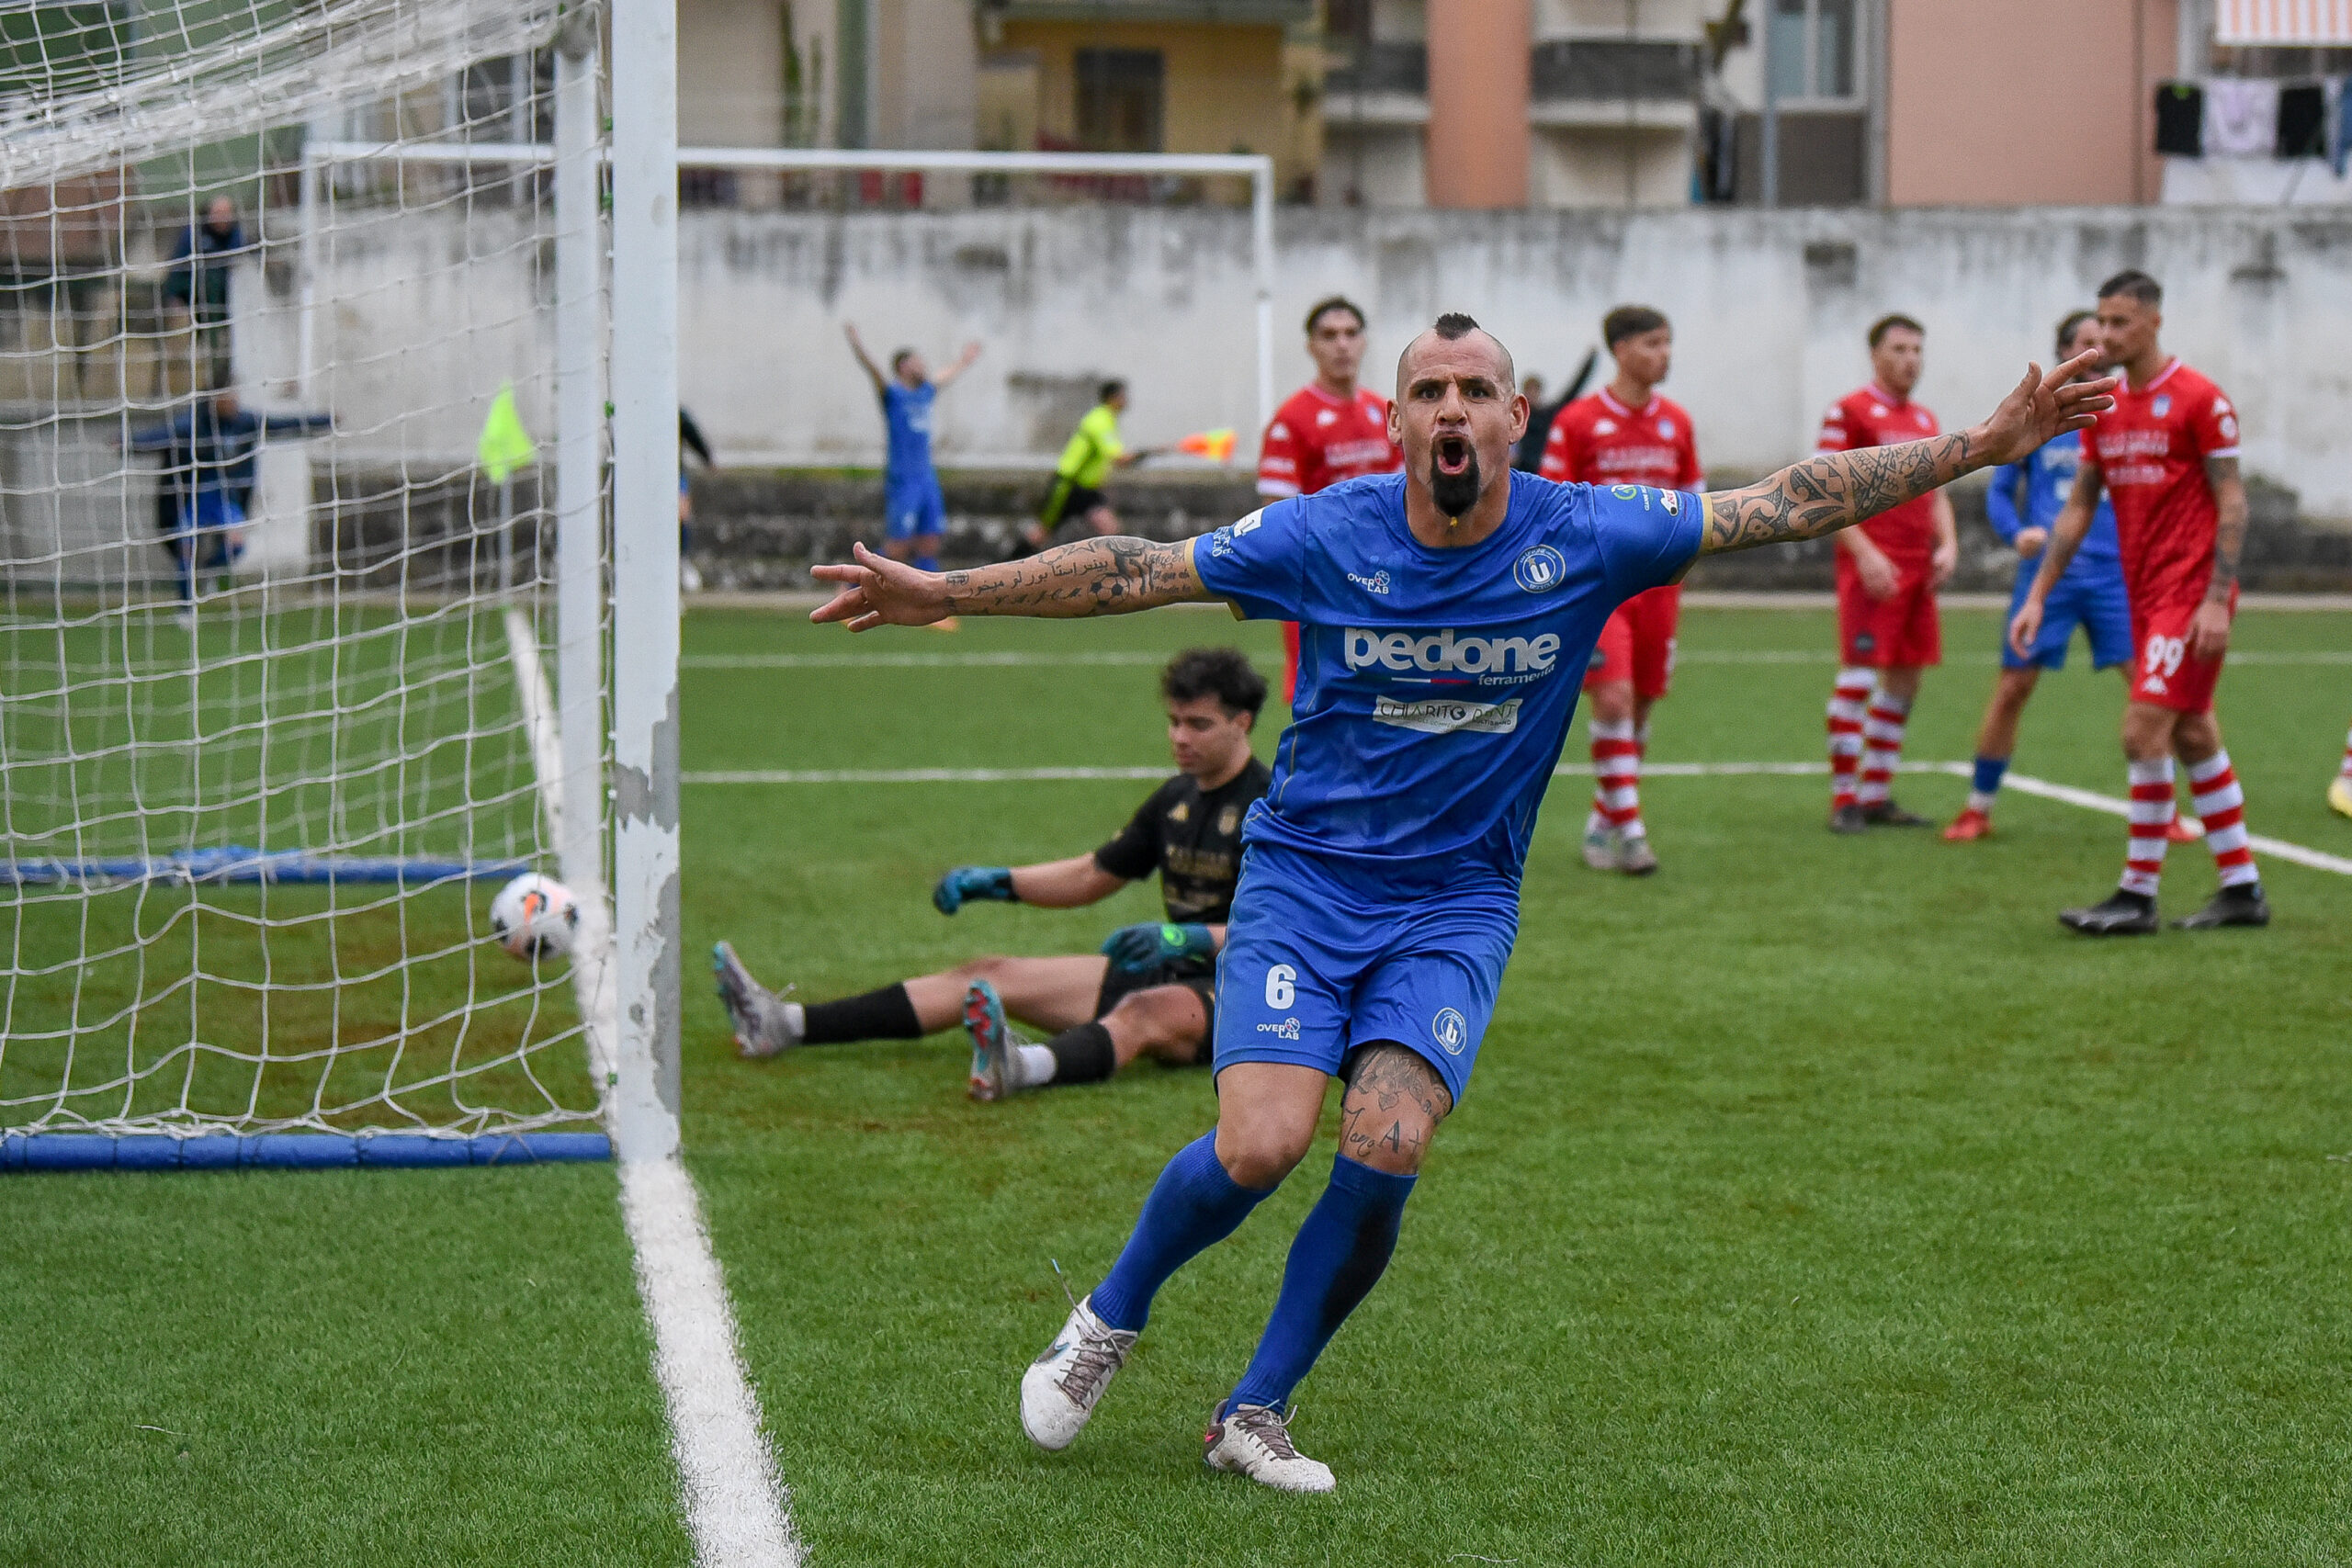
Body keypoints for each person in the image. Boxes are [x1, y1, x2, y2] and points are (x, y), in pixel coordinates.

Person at [808, 310, 2111, 1492]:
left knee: (1385, 1146)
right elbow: (1143, 567)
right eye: (1425, 388)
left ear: (1513, 416)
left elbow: (1784, 501)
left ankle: (1254, 1406)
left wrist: (1988, 442)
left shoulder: (1584, 531)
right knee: (1262, 1142)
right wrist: (948, 590)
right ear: (1396, 420)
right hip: (1308, 885)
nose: (1448, 408)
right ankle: (1107, 1317)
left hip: (1454, 904)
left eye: (1474, 389)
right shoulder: (1329, 529)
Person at [712, 649, 1271, 1098]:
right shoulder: (1176, 798)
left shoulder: (1273, 807)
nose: (1179, 738)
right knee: (989, 971)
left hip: (1251, 989)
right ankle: (783, 1023)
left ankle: (1019, 1067)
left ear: (1241, 723)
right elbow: (1092, 875)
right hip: (1170, 966)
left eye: (1198, 725)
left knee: (1143, 1012)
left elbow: (1287, 929)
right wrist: (1000, 882)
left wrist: (1187, 936)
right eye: (1173, 722)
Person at [2012, 270, 2269, 932]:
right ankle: (2242, 887)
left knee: (2141, 730)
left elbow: (2233, 498)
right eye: (2101, 322)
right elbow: (2077, 508)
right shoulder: (2103, 406)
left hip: (2191, 592)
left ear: (2155, 321)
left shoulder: (2200, 399)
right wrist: (2037, 594)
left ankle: (2137, 895)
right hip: (2144, 592)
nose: (2105, 335)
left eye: (2120, 322)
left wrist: (2217, 599)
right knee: (2191, 729)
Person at [1948, 312, 2199, 845]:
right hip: (2050, 577)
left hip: (2119, 579)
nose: (2100, 345)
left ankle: (2166, 810)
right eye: (2087, 340)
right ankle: (1977, 807)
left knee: (2152, 692)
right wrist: (2017, 534)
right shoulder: (2036, 418)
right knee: (2013, 687)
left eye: (2104, 338)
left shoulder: (2130, 411)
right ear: (2065, 351)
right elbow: (1999, 492)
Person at [1539, 305, 1703, 875]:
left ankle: (1601, 820)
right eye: (1653, 343)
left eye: (1668, 342)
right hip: (1601, 589)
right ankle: (1633, 834)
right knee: (1613, 698)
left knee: (1639, 710)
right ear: (1622, 349)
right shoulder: (1579, 421)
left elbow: (1695, 503)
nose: (1665, 354)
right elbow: (1553, 506)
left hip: (1660, 590)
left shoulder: (1677, 422)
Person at [1819, 315, 1960, 832]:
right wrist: (1863, 552)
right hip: (1873, 569)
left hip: (1917, 568)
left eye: (1918, 350)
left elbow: (1938, 490)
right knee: (1858, 675)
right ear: (1875, 355)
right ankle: (1843, 798)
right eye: (1899, 349)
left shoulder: (1924, 419)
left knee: (1906, 676)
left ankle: (1877, 794)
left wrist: (1948, 543)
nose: (1910, 360)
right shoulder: (1850, 411)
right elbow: (1823, 491)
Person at [1256, 296, 1401, 702]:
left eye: (1351, 333)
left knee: (1387, 704)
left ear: (1364, 342)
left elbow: (1407, 500)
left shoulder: (1383, 413)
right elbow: (1277, 516)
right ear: (1311, 347)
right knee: (1322, 701)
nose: (1342, 345)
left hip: (1385, 582)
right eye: (1329, 335)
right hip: (1321, 582)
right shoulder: (1292, 420)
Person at [129, 390, 332, 624]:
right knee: (187, 547)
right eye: (226, 399)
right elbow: (160, 436)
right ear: (214, 401)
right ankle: (185, 609)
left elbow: (282, 425)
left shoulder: (244, 423)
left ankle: (208, 570)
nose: (232, 403)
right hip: (194, 499)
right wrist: (128, 442)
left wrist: (324, 422)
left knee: (236, 545)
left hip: (226, 498)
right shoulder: (192, 425)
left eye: (234, 398)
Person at [843, 322, 982, 585]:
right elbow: (872, 369)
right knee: (898, 548)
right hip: (903, 479)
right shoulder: (893, 395)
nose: (923, 366)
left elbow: (944, 376)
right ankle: (850, 584)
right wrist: (857, 345)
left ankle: (932, 605)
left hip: (926, 478)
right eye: (917, 362)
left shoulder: (925, 393)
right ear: (903, 367)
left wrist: (965, 360)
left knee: (929, 542)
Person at [1021, 382, 1150, 553]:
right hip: (1068, 486)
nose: (1127, 400)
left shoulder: (1107, 419)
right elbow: (1119, 459)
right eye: (1123, 396)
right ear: (1113, 398)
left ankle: (1112, 575)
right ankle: (1007, 566)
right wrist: (1149, 452)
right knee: (1040, 534)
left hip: (1085, 490)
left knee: (1113, 532)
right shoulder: (1099, 420)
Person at [163, 197, 248, 391]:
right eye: (218, 213)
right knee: (189, 348)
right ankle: (183, 389)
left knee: (223, 349)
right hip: (193, 302)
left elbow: (243, 261)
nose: (223, 218)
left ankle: (220, 385)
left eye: (227, 213)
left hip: (225, 308)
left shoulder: (236, 236)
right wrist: (175, 297)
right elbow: (177, 268)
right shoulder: (193, 234)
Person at [678, 408, 715, 593]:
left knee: (682, 514)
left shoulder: (674, 412)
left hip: (674, 475)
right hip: (644, 477)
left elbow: (693, 434)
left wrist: (707, 458)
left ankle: (683, 561)